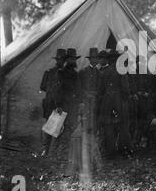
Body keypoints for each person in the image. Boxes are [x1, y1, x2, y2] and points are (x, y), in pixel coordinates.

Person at [97, 49, 133, 159]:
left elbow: (100, 90)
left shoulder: (104, 72)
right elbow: (125, 88)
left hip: (107, 102)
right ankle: (125, 151)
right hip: (119, 101)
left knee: (109, 127)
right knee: (122, 126)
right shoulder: (121, 71)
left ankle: (110, 152)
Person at [49, 48, 80, 169]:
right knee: (56, 131)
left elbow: (77, 91)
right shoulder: (60, 73)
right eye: (70, 59)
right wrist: (58, 105)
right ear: (66, 60)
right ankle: (53, 156)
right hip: (62, 106)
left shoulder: (75, 74)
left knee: (69, 130)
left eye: (74, 59)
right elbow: (56, 91)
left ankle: (63, 156)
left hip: (72, 107)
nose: (72, 61)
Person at [73, 47, 102, 178]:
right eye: (93, 59)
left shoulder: (99, 73)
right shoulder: (83, 72)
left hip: (96, 104)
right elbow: (79, 88)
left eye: (97, 59)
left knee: (94, 129)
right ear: (90, 59)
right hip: (86, 104)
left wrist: (96, 95)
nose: (95, 61)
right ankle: (84, 159)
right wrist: (85, 97)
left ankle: (93, 158)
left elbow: (101, 89)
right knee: (85, 129)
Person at [39, 48, 66, 156]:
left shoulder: (66, 73)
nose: (61, 62)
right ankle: (46, 149)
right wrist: (52, 92)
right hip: (50, 103)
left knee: (59, 127)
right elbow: (43, 86)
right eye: (59, 59)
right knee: (49, 126)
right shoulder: (49, 72)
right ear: (56, 60)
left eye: (62, 60)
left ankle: (54, 151)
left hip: (61, 104)